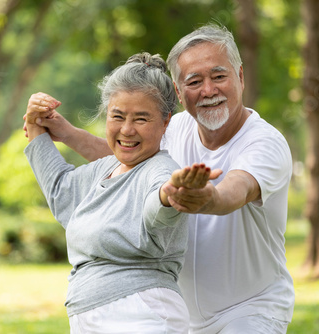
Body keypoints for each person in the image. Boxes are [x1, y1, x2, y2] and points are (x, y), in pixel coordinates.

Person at [25, 24, 294, 333]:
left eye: (219, 76)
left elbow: (237, 189)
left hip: (249, 310)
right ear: (179, 93)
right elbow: (128, 159)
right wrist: (66, 132)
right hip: (183, 313)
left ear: (240, 77)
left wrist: (208, 197)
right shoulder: (175, 128)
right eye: (194, 81)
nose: (208, 90)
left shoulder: (264, 142)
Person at [24, 52, 220, 333]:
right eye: (118, 116)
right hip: (92, 318)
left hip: (142, 315)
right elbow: (60, 190)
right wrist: (35, 125)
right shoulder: (106, 169)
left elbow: (157, 208)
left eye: (141, 119)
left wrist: (170, 195)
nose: (127, 130)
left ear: (166, 122)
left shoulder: (160, 172)